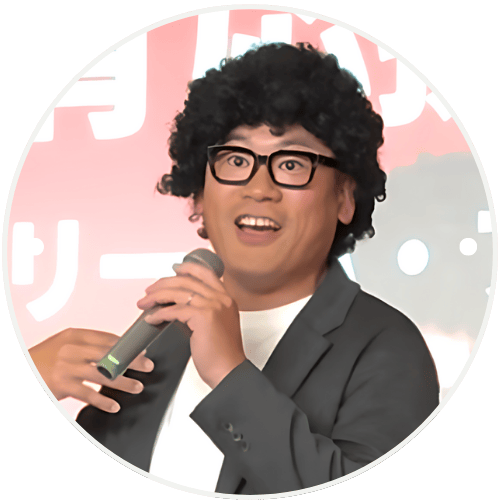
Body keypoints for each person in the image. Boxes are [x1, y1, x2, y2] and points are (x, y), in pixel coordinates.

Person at [29, 43, 439, 494]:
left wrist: (228, 373)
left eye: (291, 164)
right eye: (236, 160)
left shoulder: (388, 348)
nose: (258, 189)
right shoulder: (160, 339)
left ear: (344, 198)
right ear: (200, 195)